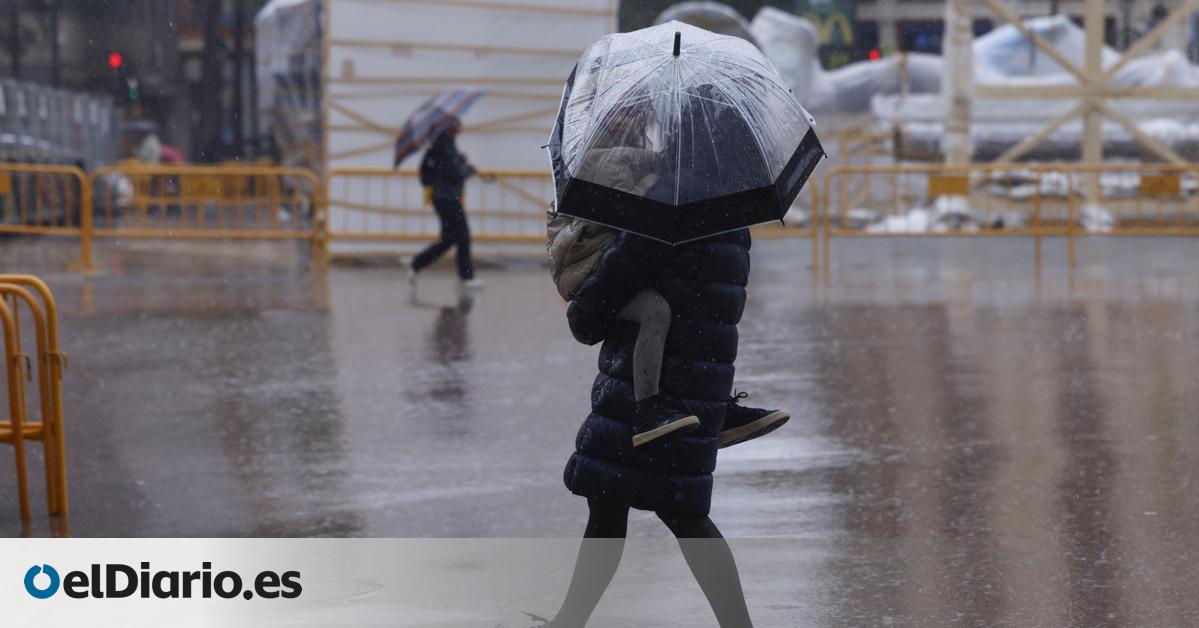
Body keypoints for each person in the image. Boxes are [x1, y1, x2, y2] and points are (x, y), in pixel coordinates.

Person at [408, 117, 492, 288]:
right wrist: (467, 168)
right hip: (448, 198)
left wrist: (463, 163)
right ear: (449, 128)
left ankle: (417, 263)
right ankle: (465, 277)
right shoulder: (444, 147)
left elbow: (447, 169)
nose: (460, 127)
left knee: (451, 238)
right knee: (462, 236)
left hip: (444, 197)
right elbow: (456, 173)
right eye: (456, 124)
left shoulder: (444, 145)